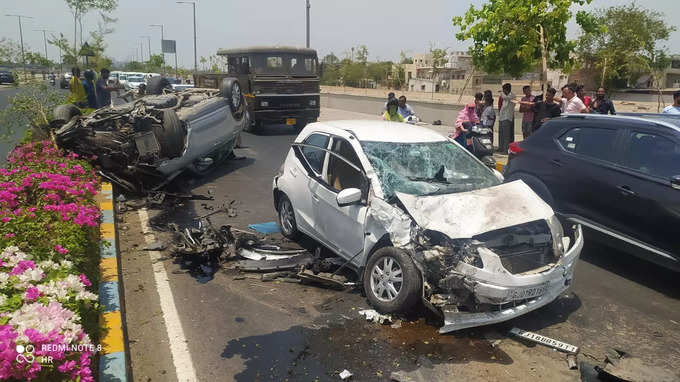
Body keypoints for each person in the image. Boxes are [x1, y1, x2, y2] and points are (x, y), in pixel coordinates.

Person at [498, 83, 515, 152]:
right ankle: (501, 148)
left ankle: (506, 149)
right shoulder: (504, 96)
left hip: (507, 117)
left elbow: (506, 98)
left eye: (503, 90)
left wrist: (502, 93)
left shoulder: (512, 95)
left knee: (506, 135)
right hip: (502, 117)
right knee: (501, 134)